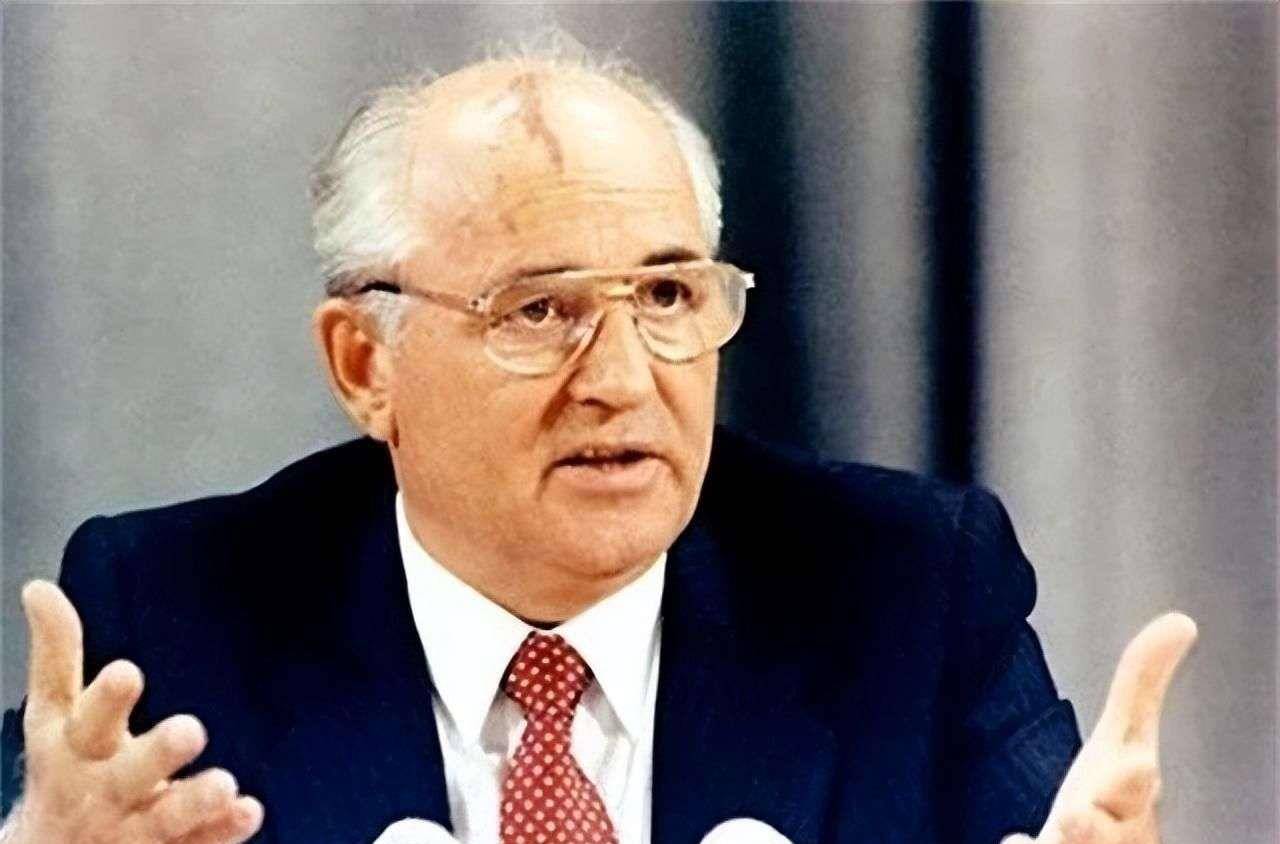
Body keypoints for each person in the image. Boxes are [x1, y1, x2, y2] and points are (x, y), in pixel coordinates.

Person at [0, 49, 1196, 844]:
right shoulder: (172, 617)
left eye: (667, 297)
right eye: (538, 311)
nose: (621, 380)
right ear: (366, 365)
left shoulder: (905, 585)